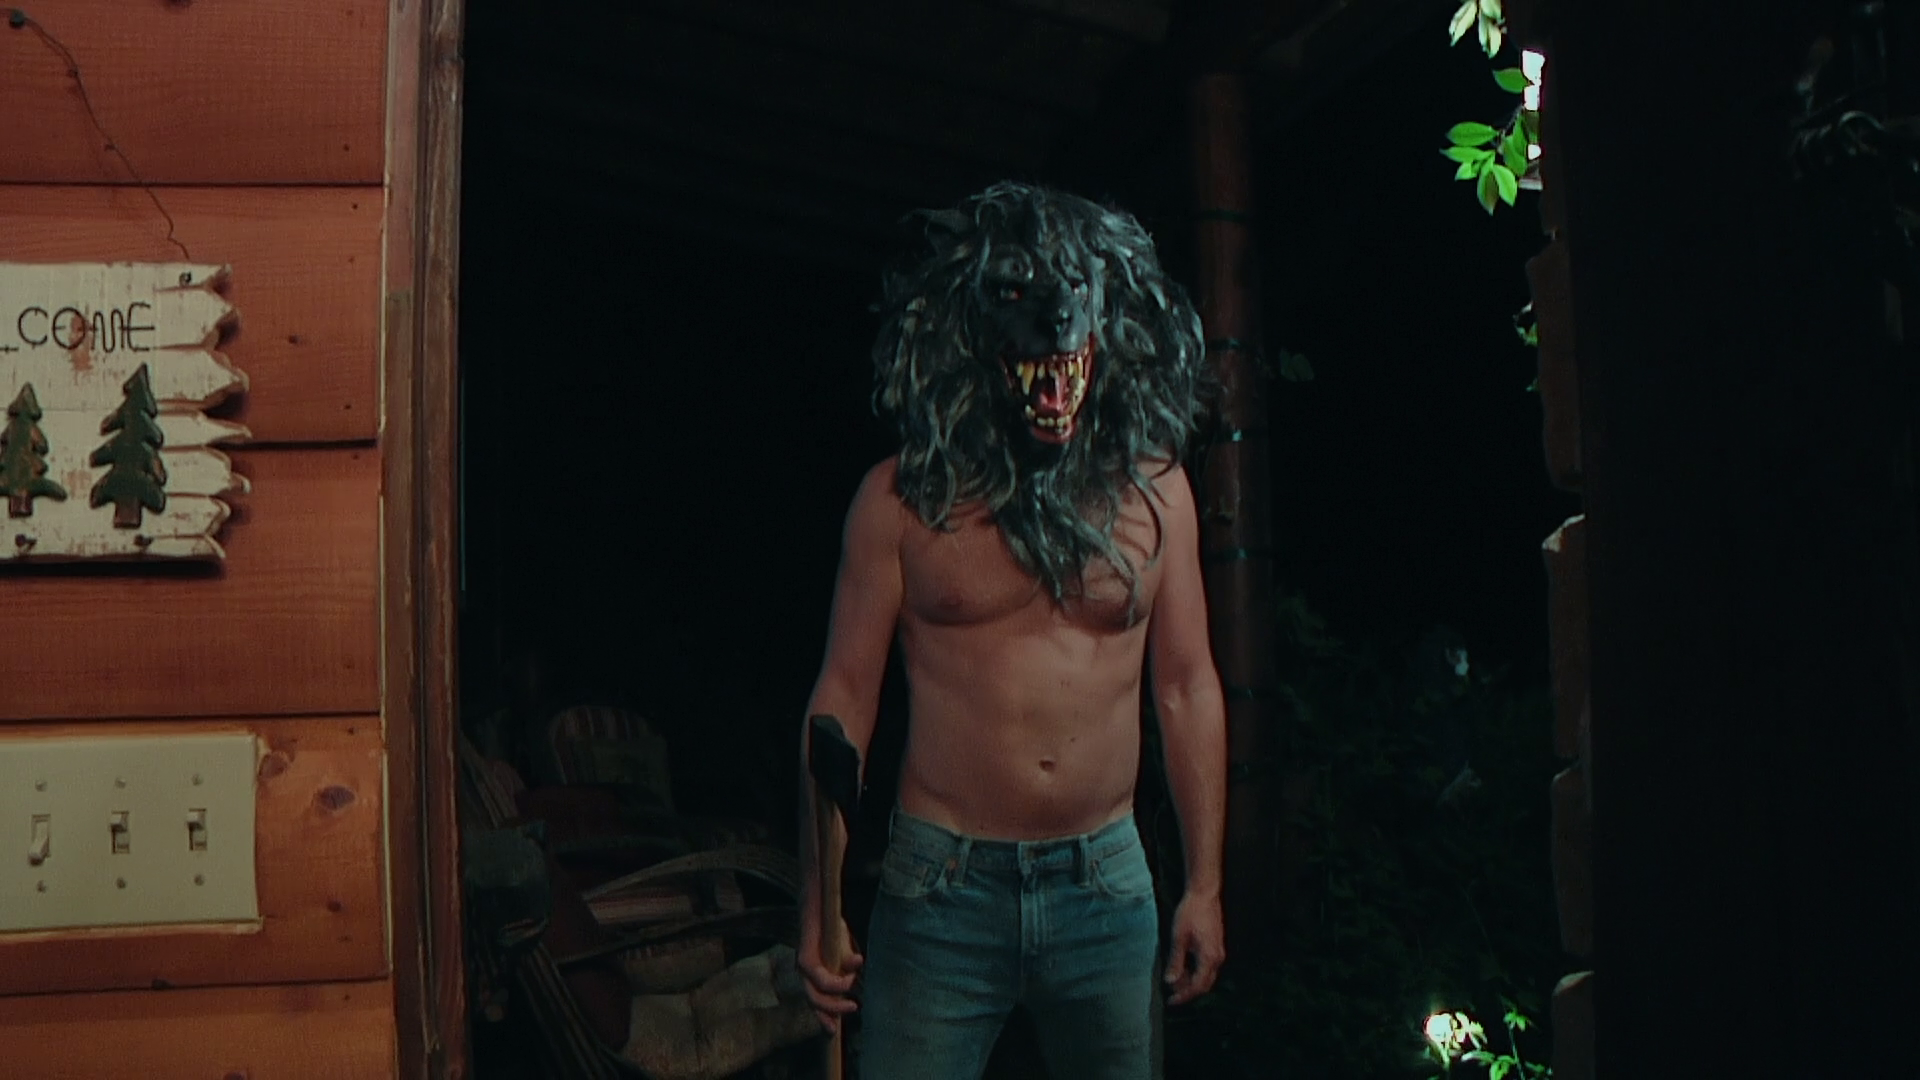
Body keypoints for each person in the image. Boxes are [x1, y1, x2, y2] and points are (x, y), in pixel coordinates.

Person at [796, 181, 1229, 1080]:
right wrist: (818, 904)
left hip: (1105, 882)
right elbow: (841, 702)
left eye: (1073, 297)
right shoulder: (900, 502)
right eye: (1018, 295)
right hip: (941, 885)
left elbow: (1186, 685)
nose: (1054, 322)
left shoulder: (1157, 494)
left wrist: (1204, 885)